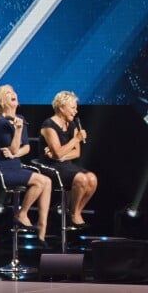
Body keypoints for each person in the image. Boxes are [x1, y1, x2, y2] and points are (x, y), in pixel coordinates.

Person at [0, 84, 52, 248]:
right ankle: (22, 214)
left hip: (15, 166)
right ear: (2, 102)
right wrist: (17, 131)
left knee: (48, 181)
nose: (13, 94)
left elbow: (26, 148)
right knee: (40, 181)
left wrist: (15, 154)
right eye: (8, 93)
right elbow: (15, 147)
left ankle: (42, 229)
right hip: (2, 170)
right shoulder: (1, 123)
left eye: (13, 91)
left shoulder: (21, 118)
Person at [38, 90, 97, 229]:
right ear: (61, 107)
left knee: (92, 179)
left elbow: (76, 153)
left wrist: (60, 155)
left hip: (66, 164)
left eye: (76, 108)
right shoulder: (48, 125)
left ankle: (75, 211)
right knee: (81, 179)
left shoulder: (72, 125)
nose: (75, 111)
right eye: (72, 107)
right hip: (49, 166)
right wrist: (75, 139)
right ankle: (74, 216)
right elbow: (57, 153)